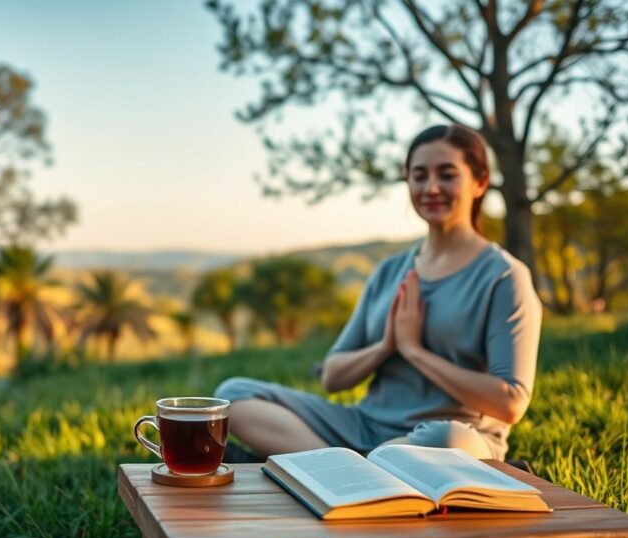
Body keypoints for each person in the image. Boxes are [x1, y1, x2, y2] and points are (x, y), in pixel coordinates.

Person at [215, 124, 542, 462]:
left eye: (446, 175)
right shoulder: (390, 272)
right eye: (419, 176)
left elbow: (511, 402)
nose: (430, 188)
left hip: (450, 436)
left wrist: (414, 351)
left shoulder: (504, 276)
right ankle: (354, 469)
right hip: (364, 426)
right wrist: (386, 346)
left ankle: (335, 468)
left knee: (444, 438)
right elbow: (333, 376)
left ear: (480, 183)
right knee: (233, 395)